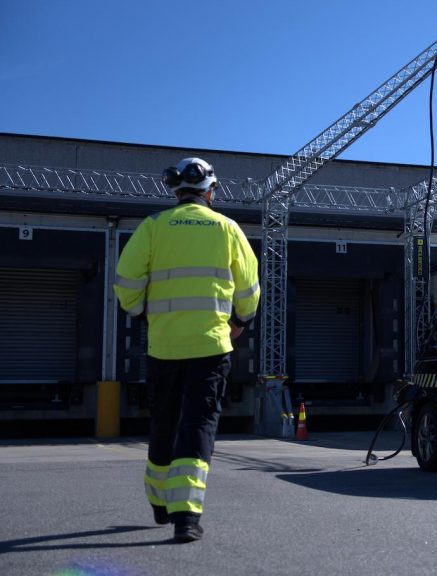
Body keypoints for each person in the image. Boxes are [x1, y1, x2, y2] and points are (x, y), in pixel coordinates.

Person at [113, 157, 260, 543]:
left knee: (163, 421)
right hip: (211, 345)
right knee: (198, 424)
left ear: (175, 190)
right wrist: (241, 322)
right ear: (211, 191)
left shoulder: (154, 227)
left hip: (164, 346)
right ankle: (186, 517)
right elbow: (249, 288)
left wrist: (144, 312)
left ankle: (160, 503)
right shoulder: (228, 228)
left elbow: (126, 282)